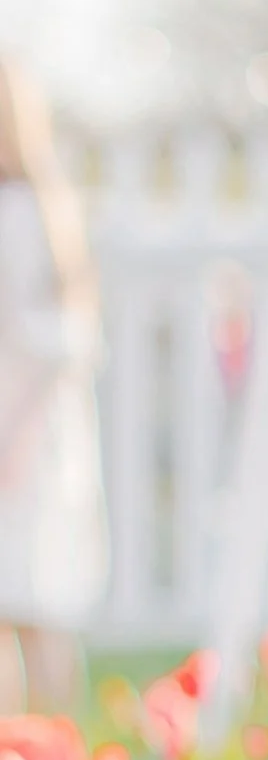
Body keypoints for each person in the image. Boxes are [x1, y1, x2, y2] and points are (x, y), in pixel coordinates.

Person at [0, 61, 107, 710]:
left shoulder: (19, 214)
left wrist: (17, 439)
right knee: (34, 609)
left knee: (30, 608)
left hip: (22, 438)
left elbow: (55, 346)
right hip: (38, 440)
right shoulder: (47, 209)